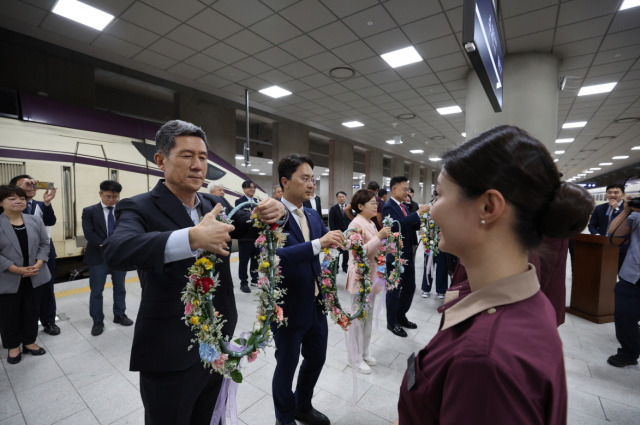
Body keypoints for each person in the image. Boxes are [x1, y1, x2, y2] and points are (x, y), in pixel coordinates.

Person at [394, 125, 593, 425]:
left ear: (488, 206)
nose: (431, 211)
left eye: (439, 195)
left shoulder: (486, 361)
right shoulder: (527, 304)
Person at [102, 120, 285, 425]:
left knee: (207, 416)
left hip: (217, 341)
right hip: (169, 349)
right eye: (187, 156)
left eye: (203, 157)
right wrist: (190, 238)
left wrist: (275, 213)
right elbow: (116, 250)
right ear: (160, 160)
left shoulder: (214, 203)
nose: (198, 165)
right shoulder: (138, 207)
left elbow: (256, 226)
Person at [272, 154, 343, 425]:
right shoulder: (273, 216)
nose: (311, 185)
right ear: (285, 182)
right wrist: (319, 243)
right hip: (287, 307)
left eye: (313, 179)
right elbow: (279, 254)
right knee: (286, 365)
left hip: (315, 303)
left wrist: (343, 240)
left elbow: (326, 238)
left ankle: (303, 405)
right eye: (305, 178)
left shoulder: (312, 213)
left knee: (317, 357)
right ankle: (285, 418)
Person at [0, 185, 51, 364]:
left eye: (21, 198)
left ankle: (29, 341)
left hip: (36, 275)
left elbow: (45, 244)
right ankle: (13, 346)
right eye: (12, 198)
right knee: (9, 313)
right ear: (1, 202)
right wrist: (15, 269)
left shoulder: (34, 220)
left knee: (32, 310)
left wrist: (38, 263)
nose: (18, 201)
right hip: (8, 277)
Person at [344, 189, 391, 374]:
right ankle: (353, 359)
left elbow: (376, 249)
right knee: (357, 320)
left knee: (367, 318)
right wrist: (379, 237)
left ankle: (363, 353)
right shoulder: (355, 224)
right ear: (360, 206)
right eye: (372, 202)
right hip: (359, 278)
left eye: (376, 202)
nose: (376, 205)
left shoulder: (370, 222)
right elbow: (358, 253)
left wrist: (389, 243)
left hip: (371, 277)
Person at [9, 175, 60, 336]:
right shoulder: (11, 205)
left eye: (33, 184)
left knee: (47, 288)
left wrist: (47, 203)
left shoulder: (40, 204)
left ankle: (49, 321)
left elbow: (50, 221)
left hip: (44, 253)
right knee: (19, 290)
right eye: (26, 184)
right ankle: (21, 324)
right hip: (17, 255)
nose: (32, 187)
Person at [82, 180, 132, 337]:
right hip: (98, 256)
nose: (112, 200)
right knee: (97, 291)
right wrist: (107, 244)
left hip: (119, 256)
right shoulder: (89, 211)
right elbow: (89, 233)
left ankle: (120, 315)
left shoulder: (123, 211)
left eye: (115, 197)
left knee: (120, 288)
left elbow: (127, 229)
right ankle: (97, 320)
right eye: (108, 196)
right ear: (100, 194)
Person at [382, 176, 429, 337]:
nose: (407, 192)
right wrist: (417, 213)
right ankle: (391, 322)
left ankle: (401, 316)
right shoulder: (388, 207)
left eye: (408, 189)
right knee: (394, 289)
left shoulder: (403, 206)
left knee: (410, 287)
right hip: (395, 256)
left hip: (407, 253)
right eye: (404, 189)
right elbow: (396, 225)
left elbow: (407, 224)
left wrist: (421, 221)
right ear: (394, 189)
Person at [606, 195, 640, 368]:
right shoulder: (636, 215)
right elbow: (613, 232)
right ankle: (629, 352)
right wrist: (626, 211)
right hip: (632, 275)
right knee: (624, 315)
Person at [588, 184, 628, 270]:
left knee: (621, 273)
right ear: (606, 194)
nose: (612, 195)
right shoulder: (599, 208)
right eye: (609, 192)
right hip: (603, 245)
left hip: (621, 248)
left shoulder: (629, 208)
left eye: (616, 192)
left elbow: (626, 223)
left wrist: (616, 209)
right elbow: (592, 225)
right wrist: (597, 235)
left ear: (623, 194)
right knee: (602, 272)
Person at [235, 180, 260, 293]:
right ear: (244, 189)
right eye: (250, 188)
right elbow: (240, 216)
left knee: (256, 259)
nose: (252, 190)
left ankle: (255, 279)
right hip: (245, 236)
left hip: (257, 236)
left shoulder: (257, 201)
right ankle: (243, 282)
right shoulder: (239, 201)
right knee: (244, 261)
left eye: (254, 188)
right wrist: (253, 215)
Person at [328, 191, 350, 273]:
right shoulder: (333, 209)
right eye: (340, 197)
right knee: (336, 251)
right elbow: (331, 222)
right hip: (337, 233)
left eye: (343, 196)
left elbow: (351, 220)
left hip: (347, 234)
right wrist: (333, 233)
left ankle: (345, 266)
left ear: (346, 198)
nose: (342, 198)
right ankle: (336, 267)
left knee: (346, 251)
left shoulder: (348, 208)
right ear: (337, 198)